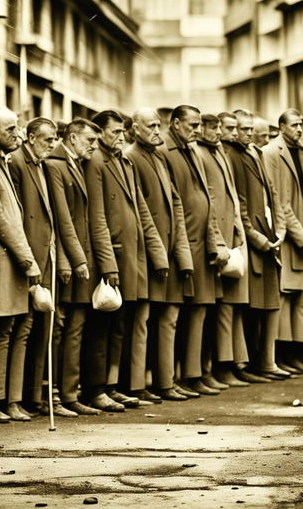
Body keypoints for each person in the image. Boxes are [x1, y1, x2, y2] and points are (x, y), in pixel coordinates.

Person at [85, 109, 168, 408]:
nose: (122, 137)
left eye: (123, 131)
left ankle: (113, 385)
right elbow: (97, 217)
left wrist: (158, 255)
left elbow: (142, 212)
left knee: (120, 326)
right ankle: (95, 390)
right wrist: (108, 264)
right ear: (100, 133)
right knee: (102, 327)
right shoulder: (95, 162)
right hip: (113, 257)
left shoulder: (125, 162)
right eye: (115, 132)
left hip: (133, 256)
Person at [0, 106, 41, 423]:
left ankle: (9, 400)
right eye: (10, 129)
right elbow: (1, 219)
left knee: (13, 328)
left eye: (17, 128)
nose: (17, 134)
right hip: (5, 258)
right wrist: (28, 260)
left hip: (12, 257)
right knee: (0, 329)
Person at [159, 105, 229, 395]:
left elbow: (208, 201)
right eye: (193, 124)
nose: (198, 130)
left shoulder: (193, 150)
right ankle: (175, 378)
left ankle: (195, 373)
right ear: (175, 123)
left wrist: (216, 242)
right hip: (182, 245)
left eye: (200, 124)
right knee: (178, 314)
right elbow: (173, 204)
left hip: (202, 244)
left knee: (201, 310)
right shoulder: (167, 151)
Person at [9, 117, 74, 418]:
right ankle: (21, 396)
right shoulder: (19, 163)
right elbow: (18, 218)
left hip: (46, 257)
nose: (52, 144)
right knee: (25, 328)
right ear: (31, 137)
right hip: (27, 260)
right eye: (48, 139)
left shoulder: (41, 165)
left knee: (45, 326)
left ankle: (36, 395)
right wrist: (29, 260)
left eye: (55, 138)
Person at [127, 109, 193, 401]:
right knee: (143, 320)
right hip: (149, 252)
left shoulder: (159, 155)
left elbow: (175, 205)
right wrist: (157, 254)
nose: (156, 130)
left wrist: (180, 252)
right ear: (134, 128)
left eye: (158, 125)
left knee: (169, 317)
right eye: (150, 125)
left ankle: (165, 380)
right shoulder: (132, 157)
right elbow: (140, 212)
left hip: (168, 249)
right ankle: (137, 385)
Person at [224, 110, 285, 382]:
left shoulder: (255, 153)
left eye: (251, 129)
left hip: (268, 235)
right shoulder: (233, 156)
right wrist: (257, 238)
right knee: (252, 307)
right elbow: (240, 205)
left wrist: (277, 231)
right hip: (253, 241)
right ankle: (251, 364)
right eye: (245, 129)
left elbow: (272, 197)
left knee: (268, 303)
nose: (249, 134)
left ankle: (265, 362)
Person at [45, 118, 101, 415]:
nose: (93, 145)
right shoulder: (56, 165)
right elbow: (63, 219)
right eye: (90, 139)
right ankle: (59, 394)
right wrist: (77, 259)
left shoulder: (74, 163)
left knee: (74, 327)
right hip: (69, 261)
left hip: (78, 257)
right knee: (64, 328)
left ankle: (68, 393)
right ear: (73, 137)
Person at [262, 109, 303, 374]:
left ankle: (299, 351)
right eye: (295, 125)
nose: (300, 130)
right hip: (290, 236)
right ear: (281, 127)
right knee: (288, 295)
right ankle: (284, 354)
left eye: (301, 125)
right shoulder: (272, 153)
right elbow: (278, 201)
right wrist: (299, 234)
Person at [194, 114, 248, 387]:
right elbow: (208, 201)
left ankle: (220, 366)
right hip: (213, 241)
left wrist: (237, 230)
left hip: (228, 236)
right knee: (213, 309)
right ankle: (210, 369)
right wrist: (218, 241)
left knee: (222, 307)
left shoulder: (219, 152)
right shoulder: (202, 153)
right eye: (214, 127)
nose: (217, 132)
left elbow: (231, 198)